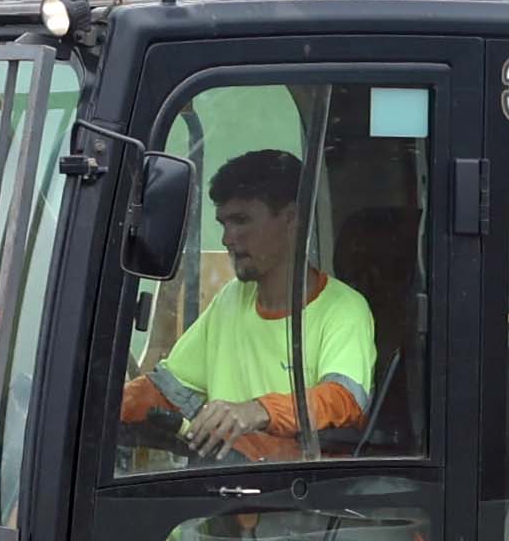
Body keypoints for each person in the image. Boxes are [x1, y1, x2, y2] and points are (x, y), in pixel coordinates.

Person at [122, 148, 375, 462]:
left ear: (291, 218)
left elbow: (344, 400)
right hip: (225, 487)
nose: (228, 238)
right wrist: (94, 410)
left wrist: (258, 411)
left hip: (296, 498)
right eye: (224, 223)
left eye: (241, 221)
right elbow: (167, 391)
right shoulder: (230, 300)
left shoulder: (343, 308)